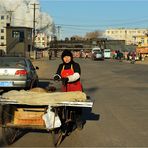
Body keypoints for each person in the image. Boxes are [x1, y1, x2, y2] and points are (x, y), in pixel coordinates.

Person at [54, 49, 84, 129]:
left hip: (75, 89)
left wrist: (67, 78)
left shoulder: (75, 65)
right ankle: (67, 121)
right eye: (64, 57)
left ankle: (78, 122)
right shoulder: (61, 66)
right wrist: (57, 76)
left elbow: (77, 75)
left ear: (71, 57)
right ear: (62, 58)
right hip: (65, 89)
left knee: (77, 107)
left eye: (68, 56)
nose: (66, 58)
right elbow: (58, 74)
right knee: (66, 107)